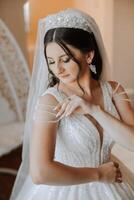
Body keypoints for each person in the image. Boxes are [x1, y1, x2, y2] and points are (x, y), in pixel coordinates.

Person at [10, 8, 134, 200]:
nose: (57, 69)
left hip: (114, 185)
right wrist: (99, 174)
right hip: (66, 190)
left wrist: (95, 110)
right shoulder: (50, 100)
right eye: (51, 62)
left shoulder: (113, 91)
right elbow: (40, 172)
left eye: (65, 59)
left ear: (89, 55)